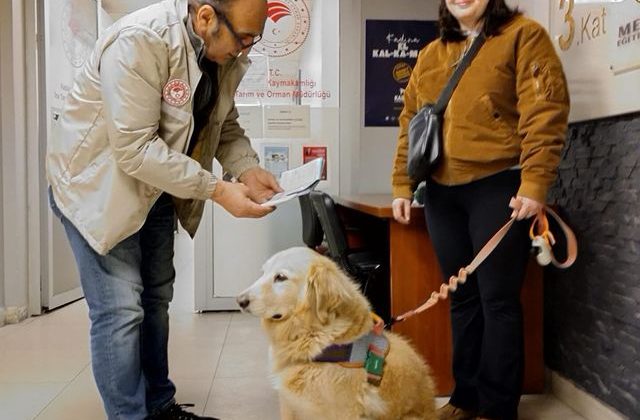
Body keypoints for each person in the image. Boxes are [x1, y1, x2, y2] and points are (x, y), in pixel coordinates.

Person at [46, 0, 280, 419]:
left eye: (253, 40)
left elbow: (223, 124)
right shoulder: (141, 40)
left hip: (154, 187)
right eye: (244, 38)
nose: (246, 49)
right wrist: (217, 189)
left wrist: (246, 169)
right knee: (121, 310)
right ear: (207, 17)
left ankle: (159, 406)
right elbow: (135, 149)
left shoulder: (218, 53)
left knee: (156, 298)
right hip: (97, 189)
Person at [391, 1, 569, 419]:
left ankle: (498, 406)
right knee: (462, 298)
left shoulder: (524, 35)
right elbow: (411, 122)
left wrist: (535, 182)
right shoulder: (431, 53)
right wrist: (403, 183)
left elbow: (546, 111)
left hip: (499, 185)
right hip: (440, 193)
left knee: (498, 300)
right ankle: (465, 397)